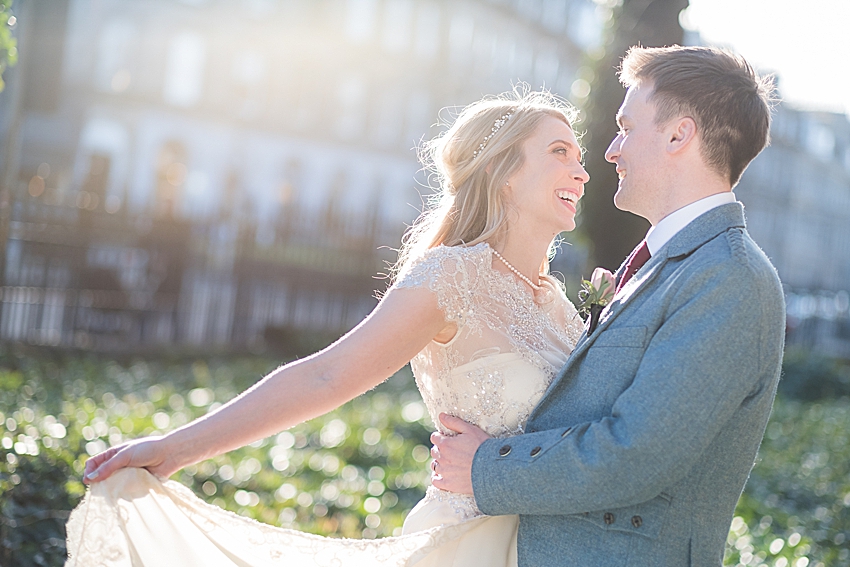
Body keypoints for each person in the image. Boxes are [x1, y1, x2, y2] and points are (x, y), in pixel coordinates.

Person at [65, 88, 590, 566]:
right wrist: (177, 448)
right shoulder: (452, 275)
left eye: (580, 156)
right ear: (503, 172)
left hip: (562, 545)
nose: (582, 171)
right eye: (559, 152)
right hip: (469, 546)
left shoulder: (558, 302)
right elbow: (326, 376)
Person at [431, 45, 786, 566]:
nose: (612, 149)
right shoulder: (665, 264)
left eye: (626, 126)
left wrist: (487, 467)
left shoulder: (731, 277)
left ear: (678, 135)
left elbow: (638, 455)